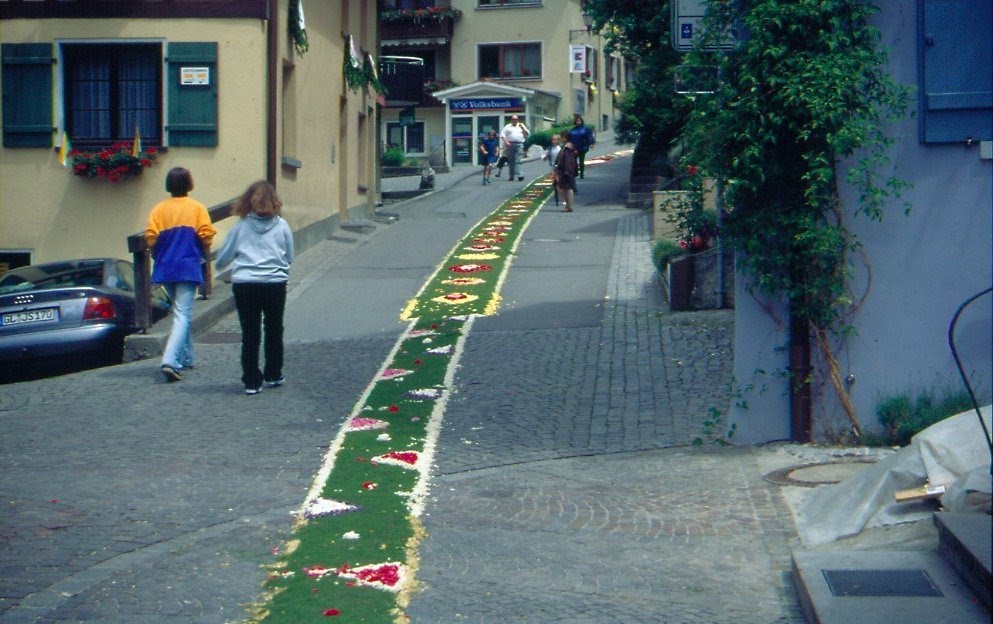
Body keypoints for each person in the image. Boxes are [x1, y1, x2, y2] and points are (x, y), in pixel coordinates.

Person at [215, 180, 295, 395]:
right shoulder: (282, 225)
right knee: (274, 329)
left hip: (245, 283)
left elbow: (224, 257)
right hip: (274, 283)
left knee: (250, 332)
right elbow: (290, 255)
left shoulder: (240, 226)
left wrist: (218, 266)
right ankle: (273, 373)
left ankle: (251, 380)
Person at [144, 167, 216, 383]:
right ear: (189, 184)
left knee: (179, 311)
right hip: (187, 265)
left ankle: (186, 357)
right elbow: (207, 236)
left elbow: (150, 238)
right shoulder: (196, 208)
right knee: (182, 314)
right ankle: (170, 361)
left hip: (166, 266)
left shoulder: (159, 209)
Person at [553, 130, 578, 213]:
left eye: (562, 137)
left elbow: (567, 160)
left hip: (566, 171)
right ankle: (568, 205)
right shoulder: (566, 146)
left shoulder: (567, 147)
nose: (561, 139)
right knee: (563, 188)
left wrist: (566, 171)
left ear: (565, 138)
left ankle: (569, 206)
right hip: (565, 170)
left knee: (567, 188)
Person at [500, 114, 530, 181]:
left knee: (517, 160)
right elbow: (502, 135)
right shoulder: (508, 127)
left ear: (518, 120)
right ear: (511, 120)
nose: (514, 120)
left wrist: (523, 129)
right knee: (511, 161)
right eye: (513, 119)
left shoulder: (521, 126)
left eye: (516, 119)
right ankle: (511, 176)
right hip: (510, 145)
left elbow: (528, 134)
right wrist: (506, 142)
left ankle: (519, 175)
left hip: (519, 144)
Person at [567, 115, 596, 179]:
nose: (578, 122)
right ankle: (576, 172)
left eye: (579, 121)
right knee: (573, 161)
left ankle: (582, 173)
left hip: (583, 147)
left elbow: (590, 136)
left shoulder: (585, 129)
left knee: (581, 161)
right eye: (577, 121)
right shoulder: (572, 130)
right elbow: (569, 138)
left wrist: (591, 143)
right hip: (574, 148)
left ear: (581, 121)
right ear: (575, 122)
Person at [542, 134, 562, 204]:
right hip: (552, 166)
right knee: (555, 182)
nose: (553, 141)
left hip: (559, 167)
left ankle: (563, 197)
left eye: (555, 140)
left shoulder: (559, 149)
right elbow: (546, 156)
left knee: (558, 182)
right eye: (552, 140)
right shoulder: (550, 148)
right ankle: (557, 194)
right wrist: (545, 157)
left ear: (558, 141)